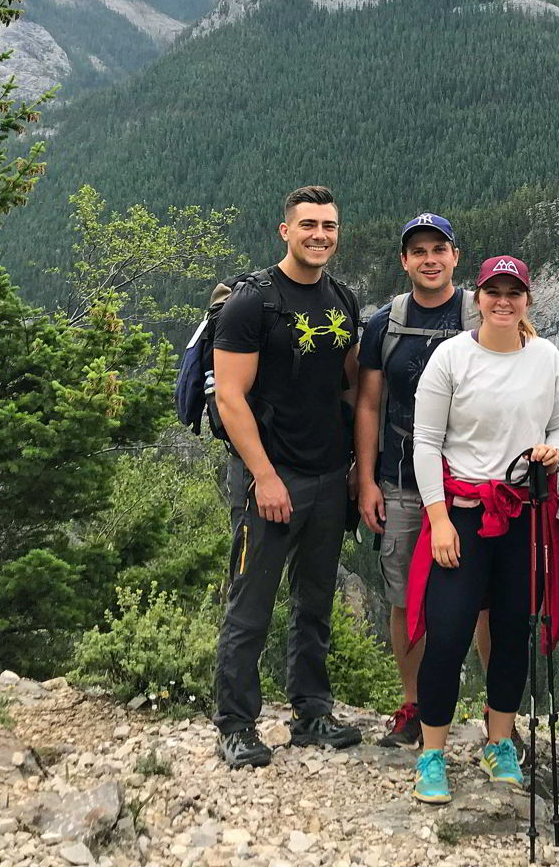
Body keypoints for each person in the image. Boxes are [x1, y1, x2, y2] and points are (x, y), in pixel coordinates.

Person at [406, 254, 559, 804]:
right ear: (476, 298)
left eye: (514, 292)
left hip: (523, 513)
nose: (503, 301)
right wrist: (437, 520)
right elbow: (426, 442)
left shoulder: (546, 357)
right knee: (450, 632)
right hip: (461, 512)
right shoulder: (452, 358)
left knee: (511, 633)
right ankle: (432, 751)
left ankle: (497, 741)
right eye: (493, 292)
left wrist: (558, 449)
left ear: (527, 299)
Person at [210, 185, 363, 768]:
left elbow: (348, 386)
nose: (319, 234)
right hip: (269, 479)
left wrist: (354, 466)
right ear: (285, 231)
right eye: (308, 225)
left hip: (328, 476)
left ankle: (311, 710)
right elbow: (230, 397)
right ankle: (236, 723)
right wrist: (264, 476)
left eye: (328, 225)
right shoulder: (254, 302)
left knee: (314, 600)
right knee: (251, 604)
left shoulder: (340, 300)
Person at [353, 212, 491, 748]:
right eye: (419, 251)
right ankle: (413, 705)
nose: (430, 259)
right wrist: (366, 481)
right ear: (405, 261)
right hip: (404, 481)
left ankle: (494, 714)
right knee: (405, 599)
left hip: (475, 485)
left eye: (440, 249)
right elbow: (368, 404)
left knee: (485, 602)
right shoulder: (384, 324)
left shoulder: (483, 319)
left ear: (456, 257)